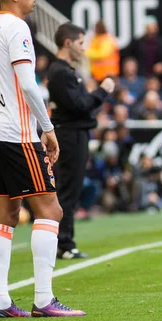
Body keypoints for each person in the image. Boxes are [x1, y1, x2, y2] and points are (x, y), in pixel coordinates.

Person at [0, 0, 85, 318]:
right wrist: (47, 127)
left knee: (5, 215)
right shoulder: (17, 28)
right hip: (18, 133)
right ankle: (44, 299)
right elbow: (28, 84)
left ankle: (0, 301)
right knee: (51, 210)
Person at [47, 22, 115, 259]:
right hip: (70, 134)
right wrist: (103, 90)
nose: (83, 49)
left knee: (71, 190)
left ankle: (65, 242)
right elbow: (80, 105)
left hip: (74, 133)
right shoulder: (60, 72)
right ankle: (64, 244)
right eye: (80, 43)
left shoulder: (65, 71)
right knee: (68, 190)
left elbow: (82, 104)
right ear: (67, 43)